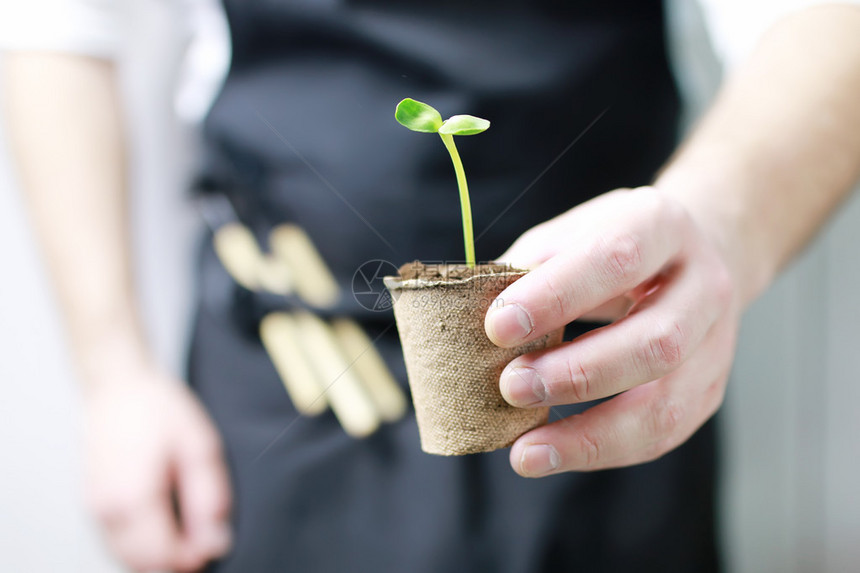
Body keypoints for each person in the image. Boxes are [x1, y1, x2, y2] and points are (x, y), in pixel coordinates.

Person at [3, 1, 860, 571]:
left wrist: (717, 225)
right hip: (286, 362)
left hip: (601, 366)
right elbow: (60, 23)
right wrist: (113, 373)